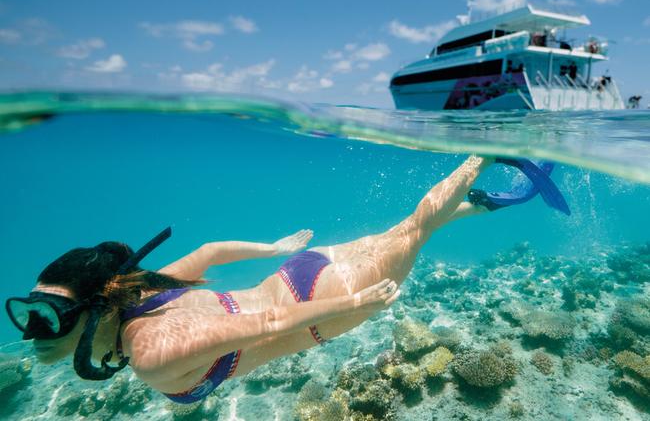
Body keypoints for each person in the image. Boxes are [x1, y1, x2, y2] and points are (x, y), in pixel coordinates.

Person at [5, 156, 568, 404]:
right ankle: (494, 199)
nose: (34, 331)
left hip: (325, 303)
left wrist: (357, 300)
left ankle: (486, 151)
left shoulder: (150, 349)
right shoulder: (141, 289)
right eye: (27, 312)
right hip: (302, 276)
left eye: (48, 313)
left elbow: (270, 322)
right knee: (411, 230)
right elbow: (209, 252)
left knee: (414, 229)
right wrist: (274, 250)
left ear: (97, 304)